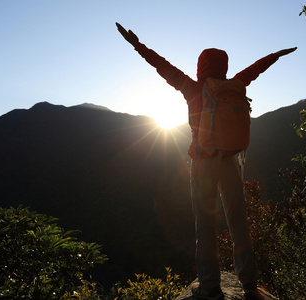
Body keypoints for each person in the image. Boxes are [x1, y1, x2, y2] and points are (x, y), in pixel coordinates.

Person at [116, 23, 296, 300]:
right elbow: (256, 69)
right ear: (224, 66)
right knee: (238, 222)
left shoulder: (192, 88)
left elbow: (162, 66)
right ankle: (248, 284)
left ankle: (210, 284)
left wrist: (137, 46)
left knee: (205, 224)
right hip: (230, 161)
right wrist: (276, 55)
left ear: (201, 67)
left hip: (201, 162)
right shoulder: (235, 85)